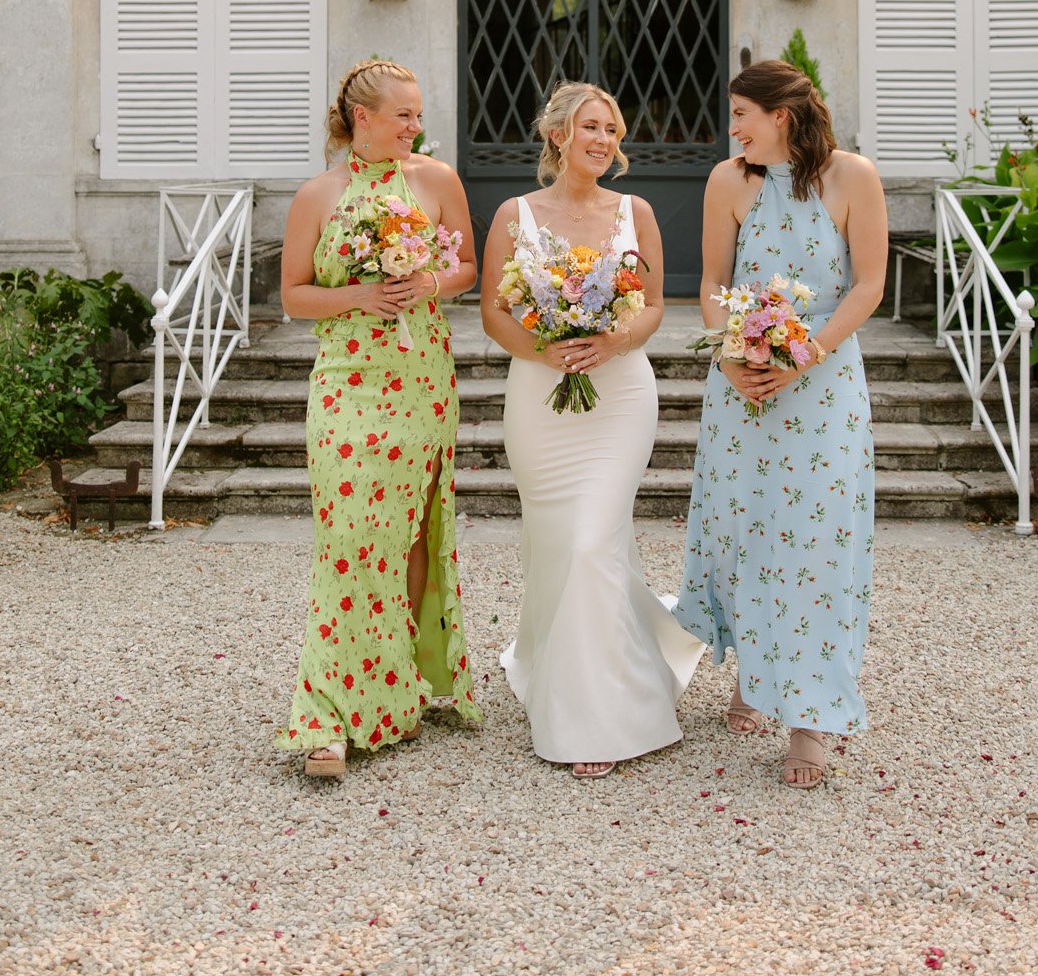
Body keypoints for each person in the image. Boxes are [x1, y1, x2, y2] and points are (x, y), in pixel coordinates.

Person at [673, 60, 888, 789]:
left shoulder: (853, 177)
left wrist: (805, 357)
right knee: (746, 530)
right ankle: (759, 673)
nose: (731, 129)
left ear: (781, 117)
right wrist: (728, 356)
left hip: (822, 387)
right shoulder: (726, 182)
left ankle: (810, 719)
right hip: (741, 385)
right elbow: (710, 284)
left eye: (741, 114)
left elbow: (867, 286)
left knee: (820, 544)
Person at [480, 83, 704, 778]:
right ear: (557, 136)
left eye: (611, 129)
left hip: (619, 396)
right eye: (590, 127)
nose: (603, 140)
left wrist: (611, 343)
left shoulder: (634, 212)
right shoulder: (514, 215)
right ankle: (552, 666)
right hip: (540, 395)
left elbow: (657, 303)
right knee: (559, 547)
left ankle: (604, 720)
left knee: (590, 541)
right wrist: (543, 349)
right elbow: (493, 312)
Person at [275, 60, 480, 777]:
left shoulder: (436, 180)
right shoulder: (316, 195)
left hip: (421, 377)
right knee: (347, 536)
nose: (415, 126)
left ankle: (408, 688)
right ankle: (327, 716)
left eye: (417, 114)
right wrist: (360, 297)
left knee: (415, 528)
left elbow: (466, 270)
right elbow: (295, 298)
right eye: (403, 114)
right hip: (344, 383)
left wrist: (425, 280)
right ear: (361, 117)